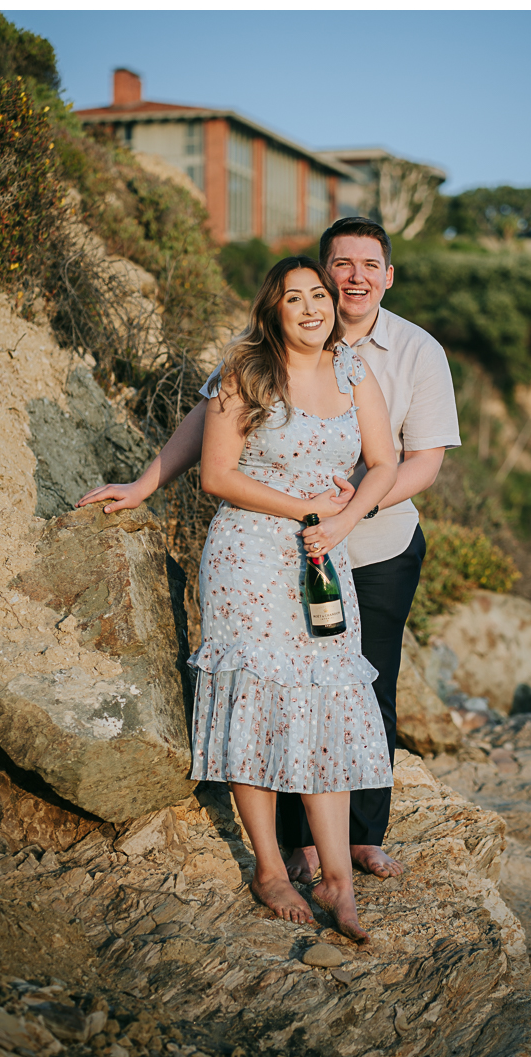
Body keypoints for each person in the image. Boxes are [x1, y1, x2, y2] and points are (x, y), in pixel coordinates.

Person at [77, 217, 461, 884]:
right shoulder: (274, 348)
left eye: (370, 264)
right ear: (320, 274)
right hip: (282, 550)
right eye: (340, 264)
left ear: (388, 276)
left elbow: (420, 461)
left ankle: (363, 839)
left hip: (377, 543)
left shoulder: (415, 351)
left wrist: (349, 513)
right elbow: (208, 421)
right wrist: (146, 481)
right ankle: (296, 847)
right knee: (282, 688)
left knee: (365, 690)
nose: (355, 277)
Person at [185, 255, 397, 940]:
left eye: (318, 295)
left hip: (319, 560)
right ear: (272, 311)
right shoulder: (246, 370)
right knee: (258, 697)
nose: (310, 308)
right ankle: (271, 867)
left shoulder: (352, 370)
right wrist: (305, 509)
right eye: (293, 298)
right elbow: (216, 475)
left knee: (329, 700)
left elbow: (384, 461)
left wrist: (340, 520)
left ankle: (337, 877)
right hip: (249, 555)